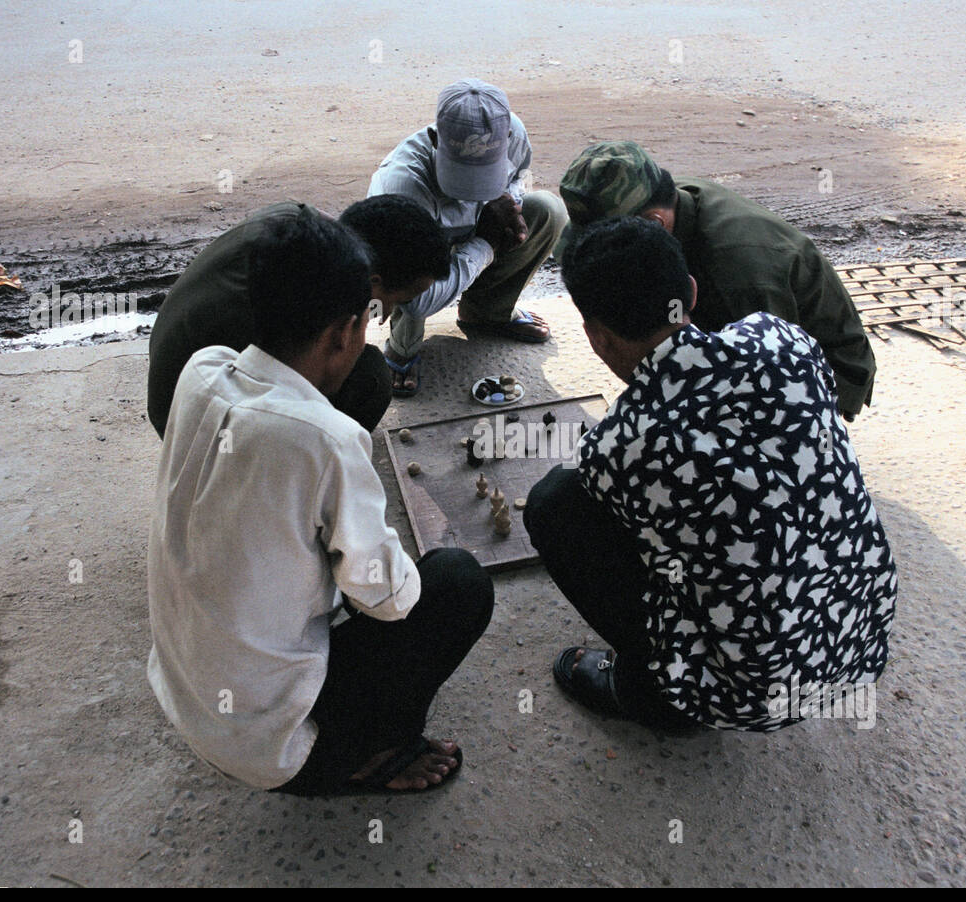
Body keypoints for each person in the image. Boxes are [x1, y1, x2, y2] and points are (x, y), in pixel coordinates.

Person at [147, 209, 494, 795]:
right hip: (278, 754)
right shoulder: (325, 439)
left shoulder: (201, 369)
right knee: (457, 582)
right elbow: (388, 599)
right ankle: (373, 751)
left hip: (185, 697)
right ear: (346, 332)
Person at [524, 217, 897, 732]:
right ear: (691, 292)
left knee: (555, 504)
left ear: (597, 338)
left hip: (751, 696)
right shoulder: (781, 337)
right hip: (863, 633)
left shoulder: (619, 446)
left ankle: (655, 696)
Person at [557, 141, 877, 421]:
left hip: (827, 370)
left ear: (656, 222)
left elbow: (768, 374)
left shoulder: (736, 276)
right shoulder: (668, 200)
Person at [146, 195, 448, 437]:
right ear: (374, 281)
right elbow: (308, 376)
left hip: (190, 383)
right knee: (369, 377)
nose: (387, 314)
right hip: (194, 425)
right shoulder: (303, 296)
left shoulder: (296, 223)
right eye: (398, 301)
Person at [368, 78, 567, 396]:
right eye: (462, 173)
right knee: (407, 272)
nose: (471, 191)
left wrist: (509, 205)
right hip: (423, 250)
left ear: (507, 138)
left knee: (547, 210)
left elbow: (518, 178)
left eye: (484, 172)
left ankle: (488, 312)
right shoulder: (402, 184)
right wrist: (485, 244)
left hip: (477, 229)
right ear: (434, 139)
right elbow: (417, 299)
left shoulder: (514, 133)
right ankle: (403, 346)